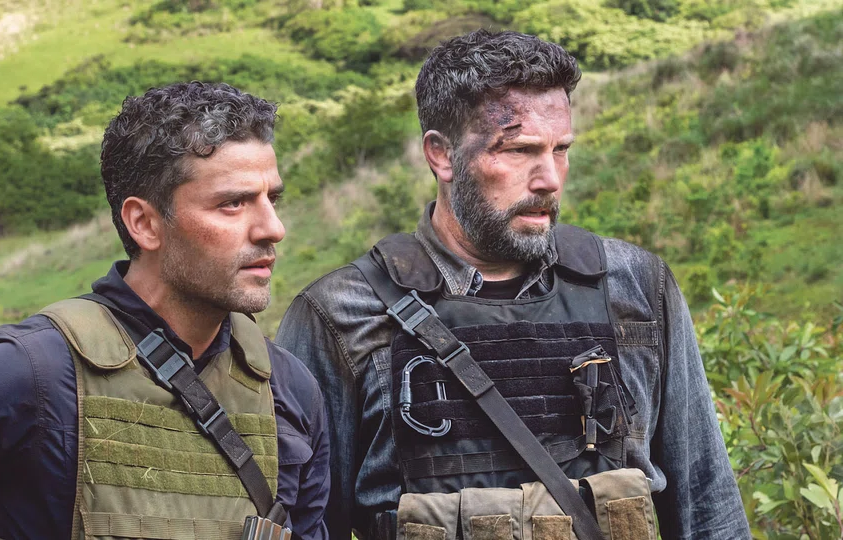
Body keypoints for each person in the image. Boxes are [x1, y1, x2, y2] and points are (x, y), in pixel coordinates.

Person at [276, 30, 749, 540]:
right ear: (441, 155)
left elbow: (708, 509)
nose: (550, 179)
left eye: (560, 149)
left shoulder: (636, 287)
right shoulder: (340, 315)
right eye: (520, 150)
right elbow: (307, 522)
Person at [0, 82, 329, 540]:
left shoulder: (289, 388)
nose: (273, 228)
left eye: (272, 199)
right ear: (144, 223)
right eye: (233, 203)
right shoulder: (27, 372)